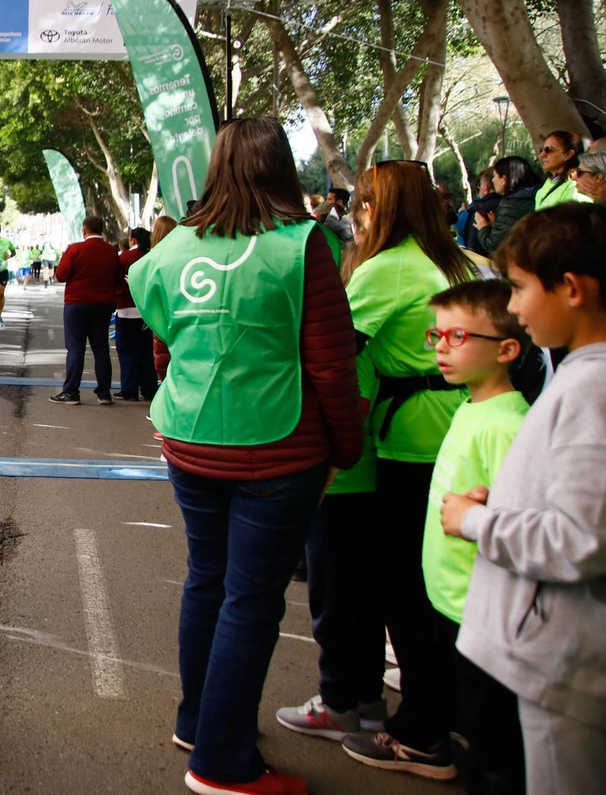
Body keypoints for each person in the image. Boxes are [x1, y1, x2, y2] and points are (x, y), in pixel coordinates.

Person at [128, 117, 365, 795]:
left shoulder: (170, 253)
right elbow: (330, 366)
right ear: (282, 169)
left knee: (208, 578)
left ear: (216, 167)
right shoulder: (302, 246)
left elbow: (165, 346)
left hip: (188, 438)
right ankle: (222, 764)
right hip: (277, 446)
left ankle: (198, 721)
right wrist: (344, 449)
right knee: (252, 600)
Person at [319, 161, 476, 779]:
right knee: (431, 588)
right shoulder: (445, 259)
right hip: (445, 431)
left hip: (410, 443)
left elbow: (331, 348)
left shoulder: (389, 269)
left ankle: (420, 733)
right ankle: (448, 713)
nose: (357, 213)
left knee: (407, 594)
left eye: (364, 202)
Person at [447, 204, 606, 794]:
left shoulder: (591, 388)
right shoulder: (581, 377)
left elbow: (581, 538)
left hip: (559, 659)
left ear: (570, 289)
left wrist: (478, 521)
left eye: (517, 288)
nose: (511, 308)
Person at [398, 280, 529, 791]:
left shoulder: (508, 425)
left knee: (493, 738)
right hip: (452, 601)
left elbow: (522, 516)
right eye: (438, 336)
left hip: (482, 610)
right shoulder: (470, 405)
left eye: (458, 336)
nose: (443, 347)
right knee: (471, 717)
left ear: (507, 350)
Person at [50, 216, 120, 406]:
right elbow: (118, 276)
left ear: (84, 230)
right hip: (103, 305)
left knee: (75, 349)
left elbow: (61, 275)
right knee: (101, 349)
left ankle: (71, 392)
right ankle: (104, 393)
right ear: (102, 230)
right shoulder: (111, 252)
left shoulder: (75, 249)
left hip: (77, 304)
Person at [114, 227, 159, 401]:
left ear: (132, 239)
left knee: (127, 351)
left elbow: (116, 278)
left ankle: (129, 389)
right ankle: (149, 389)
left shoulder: (125, 257)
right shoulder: (151, 256)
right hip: (147, 311)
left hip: (126, 309)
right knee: (146, 351)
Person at [475, 155, 539, 255]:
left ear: (504, 179)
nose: (492, 180)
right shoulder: (534, 195)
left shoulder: (510, 206)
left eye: (495, 176)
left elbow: (493, 245)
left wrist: (483, 228)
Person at [150, 216, 178, 382]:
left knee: (163, 360)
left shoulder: (154, 257)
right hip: (180, 313)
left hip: (159, 316)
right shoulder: (182, 255)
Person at [533, 130, 580, 209]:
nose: (542, 155)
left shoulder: (575, 187)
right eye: (542, 150)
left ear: (568, 154)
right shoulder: (549, 182)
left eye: (549, 149)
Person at [458, 168, 500, 250]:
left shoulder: (479, 209)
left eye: (479, 186)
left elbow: (460, 227)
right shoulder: (508, 205)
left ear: (485, 188)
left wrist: (462, 213)